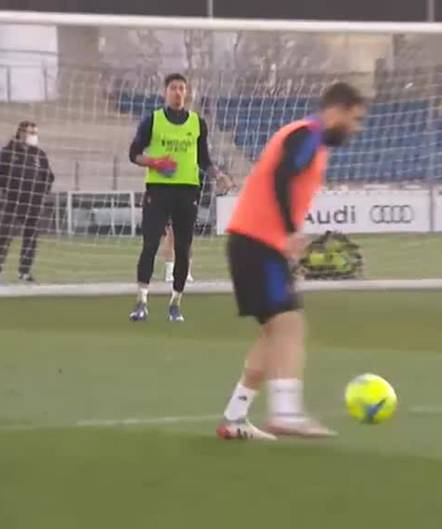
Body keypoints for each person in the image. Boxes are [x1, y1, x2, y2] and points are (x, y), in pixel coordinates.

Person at [217, 82, 366, 440]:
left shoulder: (311, 142)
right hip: (259, 242)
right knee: (289, 327)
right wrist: (288, 232)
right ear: (337, 110)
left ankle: (235, 418)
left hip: (254, 242)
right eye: (354, 119)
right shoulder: (307, 135)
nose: (356, 129)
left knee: (273, 332)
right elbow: (283, 174)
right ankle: (286, 413)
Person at [127, 73, 230, 322]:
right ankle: (142, 301)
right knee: (150, 244)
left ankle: (175, 303)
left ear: (187, 93)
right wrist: (155, 162)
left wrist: (218, 174)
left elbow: (202, 158)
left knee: (183, 248)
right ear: (165, 92)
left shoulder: (197, 123)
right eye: (173, 88)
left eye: (182, 88)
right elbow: (134, 154)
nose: (178, 92)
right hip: (158, 190)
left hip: (187, 191)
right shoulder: (153, 121)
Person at [0, 121, 55, 284]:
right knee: (4, 236)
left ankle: (24, 272)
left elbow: (49, 176)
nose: (33, 136)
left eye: (35, 133)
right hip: (13, 201)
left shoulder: (39, 155)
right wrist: (9, 189)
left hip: (33, 202)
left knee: (31, 238)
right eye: (30, 133)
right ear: (20, 133)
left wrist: (42, 191)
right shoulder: (7, 153)